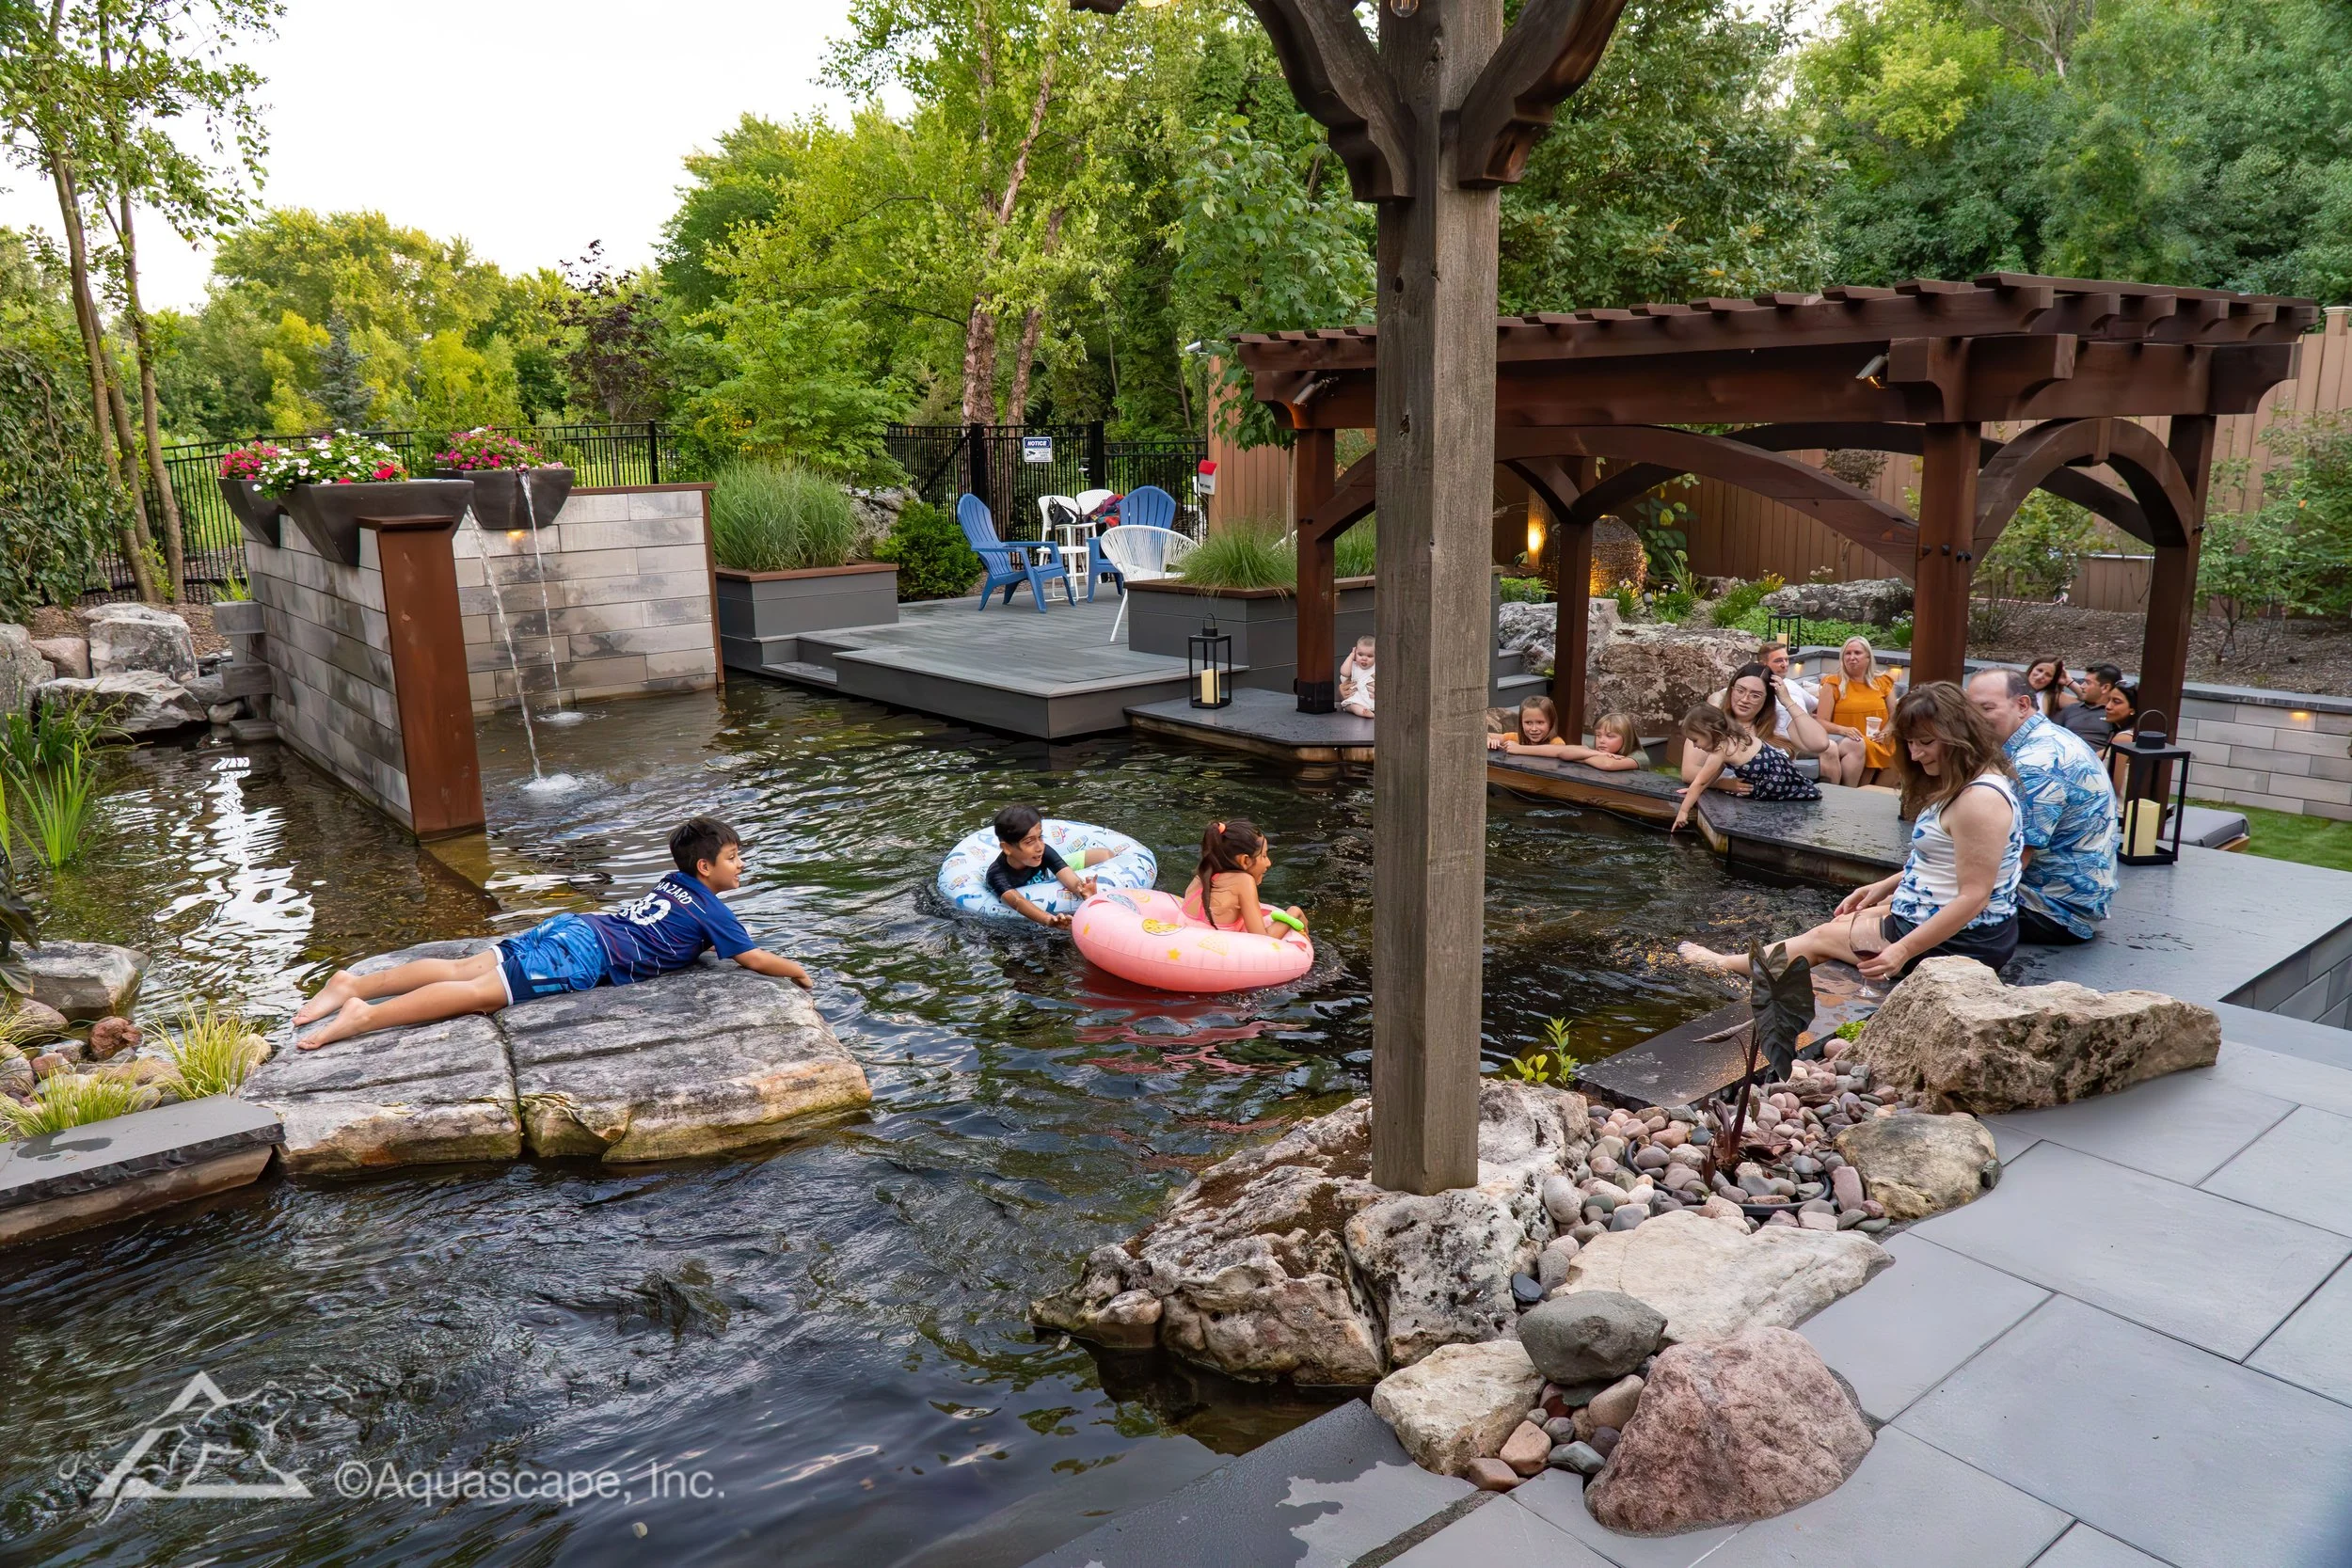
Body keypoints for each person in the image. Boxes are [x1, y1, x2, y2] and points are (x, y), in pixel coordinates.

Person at [292, 816, 813, 1049]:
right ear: (704, 868)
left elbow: (677, 931)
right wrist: (800, 973)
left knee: (462, 967)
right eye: (733, 857)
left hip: (579, 925)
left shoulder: (671, 879)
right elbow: (755, 960)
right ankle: (365, 1017)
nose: (741, 865)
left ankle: (352, 984)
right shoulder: (712, 910)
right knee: (477, 996)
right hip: (584, 956)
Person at [1679, 683, 2025, 981]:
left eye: (1925, 742)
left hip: (1962, 942)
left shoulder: (1980, 800)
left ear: (1959, 736)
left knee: (1819, 939)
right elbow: (1944, 862)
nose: (1916, 755)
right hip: (1933, 917)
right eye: (1911, 744)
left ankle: (1725, 964)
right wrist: (1884, 885)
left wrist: (1901, 950)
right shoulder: (1965, 784)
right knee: (1841, 921)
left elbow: (1975, 896)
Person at [1966, 668, 2117, 946]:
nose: (1974, 720)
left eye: (1986, 708)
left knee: (1891, 922)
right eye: (1970, 710)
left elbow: (2009, 862)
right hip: (2067, 898)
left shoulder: (2037, 764)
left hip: (2051, 910)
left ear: (2022, 704)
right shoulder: (2045, 737)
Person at [1672, 680, 1826, 832]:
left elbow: (1700, 781)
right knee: (1801, 790)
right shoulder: (1736, 735)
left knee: (1741, 790)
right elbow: (1710, 776)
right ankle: (1808, 791)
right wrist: (1696, 789)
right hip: (1784, 771)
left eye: (1695, 740)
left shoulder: (1720, 751)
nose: (1694, 745)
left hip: (1772, 784)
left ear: (1708, 732)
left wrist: (1684, 811)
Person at [985, 804, 1115, 928]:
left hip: (1049, 873)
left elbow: (1066, 874)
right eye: (1029, 841)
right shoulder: (996, 875)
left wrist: (1082, 890)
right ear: (1007, 848)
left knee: (1105, 855)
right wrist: (1048, 920)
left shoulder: (1042, 852)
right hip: (1033, 889)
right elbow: (1017, 902)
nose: (1039, 847)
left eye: (1040, 837)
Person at [1183, 818, 1307, 938]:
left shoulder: (1202, 875)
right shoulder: (1243, 881)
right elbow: (1263, 939)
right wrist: (1293, 912)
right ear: (1245, 860)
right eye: (1263, 856)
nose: (1269, 863)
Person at [1814, 636, 1899, 785]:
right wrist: (1844, 730)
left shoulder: (1883, 681)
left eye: (1857, 653)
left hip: (1881, 739)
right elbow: (1821, 722)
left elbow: (1895, 715)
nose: (1852, 657)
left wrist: (1887, 731)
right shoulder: (1833, 683)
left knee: (1902, 750)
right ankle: (1856, 793)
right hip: (1851, 740)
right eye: (1848, 653)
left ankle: (1878, 797)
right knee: (1865, 746)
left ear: (1868, 657)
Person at [1486, 701, 1646, 770]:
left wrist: (1578, 754)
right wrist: (1593, 753)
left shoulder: (1638, 757)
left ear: (1626, 738)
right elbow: (1561, 753)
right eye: (1598, 735)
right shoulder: (1594, 749)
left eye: (1610, 736)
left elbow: (1607, 764)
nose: (1601, 740)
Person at [2057, 662, 2124, 747]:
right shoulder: (2071, 709)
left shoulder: (2116, 714)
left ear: (2105, 688)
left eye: (2087, 682)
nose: (2082, 686)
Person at [2024, 656, 2078, 720]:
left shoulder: (2050, 696)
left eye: (2048, 675)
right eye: (2039, 670)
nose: (2040, 677)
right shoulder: (2013, 684)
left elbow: (2088, 702)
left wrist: (2069, 682)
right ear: (2032, 668)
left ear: (2052, 680)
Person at [1337, 636, 1375, 718]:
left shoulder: (1375, 667)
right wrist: (1351, 656)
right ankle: (1365, 712)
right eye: (1360, 654)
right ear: (1355, 653)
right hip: (1357, 698)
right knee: (1353, 706)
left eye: (1369, 656)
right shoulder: (1353, 666)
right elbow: (1344, 672)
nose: (1364, 658)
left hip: (1371, 697)